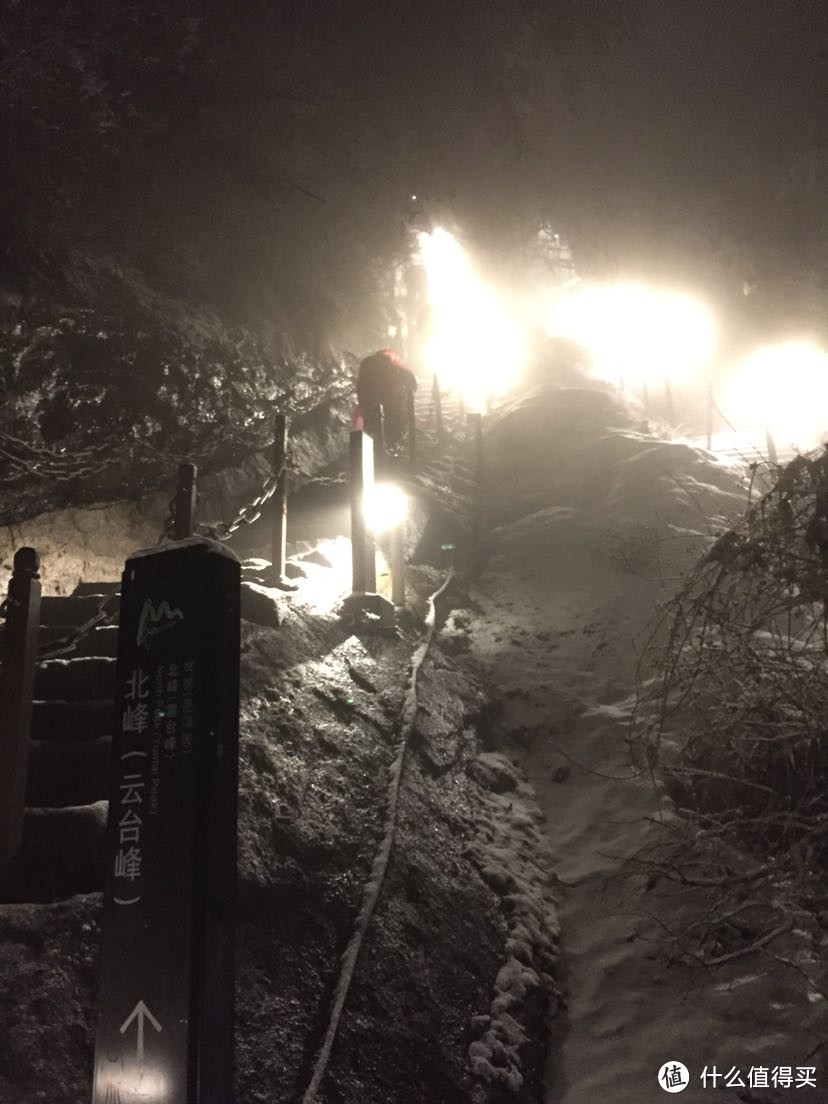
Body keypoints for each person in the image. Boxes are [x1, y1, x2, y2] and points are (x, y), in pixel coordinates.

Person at [356, 349, 417, 452]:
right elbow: (411, 381)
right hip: (392, 403)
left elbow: (360, 384)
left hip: (370, 403)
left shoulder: (367, 363)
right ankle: (392, 447)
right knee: (394, 427)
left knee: (372, 427)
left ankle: (373, 452)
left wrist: (362, 400)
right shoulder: (394, 365)